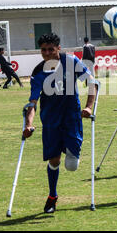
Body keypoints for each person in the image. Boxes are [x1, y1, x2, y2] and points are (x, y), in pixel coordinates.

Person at [22, 32, 97, 214]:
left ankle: (72, 152)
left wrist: (88, 107)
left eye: (50, 49)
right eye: (43, 50)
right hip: (50, 122)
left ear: (58, 49)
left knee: (71, 166)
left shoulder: (71, 62)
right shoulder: (38, 72)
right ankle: (52, 196)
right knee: (54, 160)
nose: (46, 53)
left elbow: (92, 83)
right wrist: (28, 125)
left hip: (72, 120)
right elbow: (32, 103)